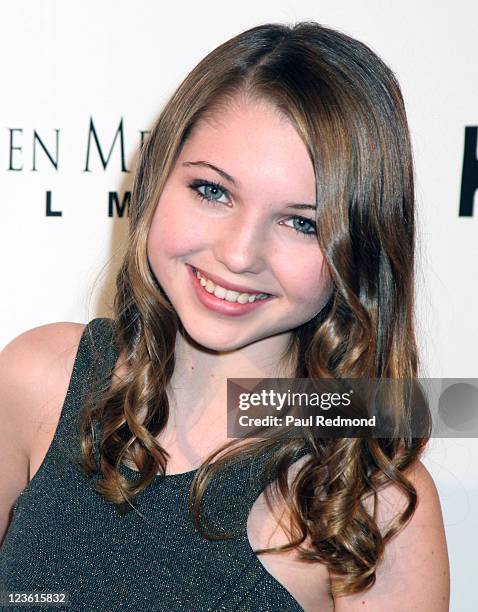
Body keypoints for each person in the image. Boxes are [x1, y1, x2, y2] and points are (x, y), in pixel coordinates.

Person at [0, 20, 449, 612]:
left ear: (360, 250)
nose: (239, 254)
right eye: (213, 191)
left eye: (301, 222)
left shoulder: (370, 501)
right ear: (159, 178)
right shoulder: (39, 377)